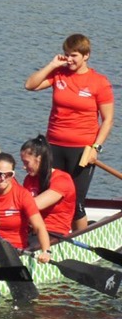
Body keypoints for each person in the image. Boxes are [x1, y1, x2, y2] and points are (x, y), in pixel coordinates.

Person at [24, 33, 114, 230]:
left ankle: (81, 237)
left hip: (82, 151)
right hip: (53, 146)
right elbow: (30, 85)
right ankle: (47, 235)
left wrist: (96, 148)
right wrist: (52, 65)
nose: (69, 59)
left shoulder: (99, 82)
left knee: (75, 201)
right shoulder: (59, 74)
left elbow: (107, 120)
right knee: (48, 194)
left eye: (74, 55)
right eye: (66, 54)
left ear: (86, 55)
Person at [0, 153, 53, 260]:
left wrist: (46, 251)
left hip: (15, 250)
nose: (2, 178)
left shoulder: (22, 195)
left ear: (13, 175)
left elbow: (39, 227)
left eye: (8, 174)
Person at [20, 135, 77, 238]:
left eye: (26, 162)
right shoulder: (29, 179)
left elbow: (34, 205)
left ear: (39, 159)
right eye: (23, 162)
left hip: (53, 233)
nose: (24, 167)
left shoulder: (62, 180)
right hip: (32, 230)